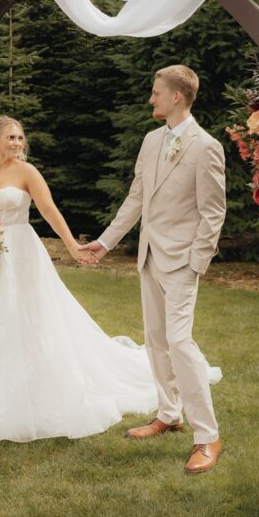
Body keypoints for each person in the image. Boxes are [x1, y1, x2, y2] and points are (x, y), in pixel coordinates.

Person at [0, 113, 160, 443]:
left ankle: (33, 386)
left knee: (26, 317)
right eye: (11, 137)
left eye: (20, 137)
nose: (18, 143)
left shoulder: (27, 172)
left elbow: (49, 210)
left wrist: (73, 246)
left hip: (20, 254)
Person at [82, 65, 226, 475]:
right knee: (156, 341)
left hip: (182, 261)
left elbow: (213, 212)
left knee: (180, 342)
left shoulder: (206, 146)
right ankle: (169, 414)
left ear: (177, 96)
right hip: (149, 255)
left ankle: (207, 436)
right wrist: (106, 242)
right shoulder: (150, 140)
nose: (152, 98)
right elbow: (136, 198)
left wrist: (197, 262)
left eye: (156, 92)